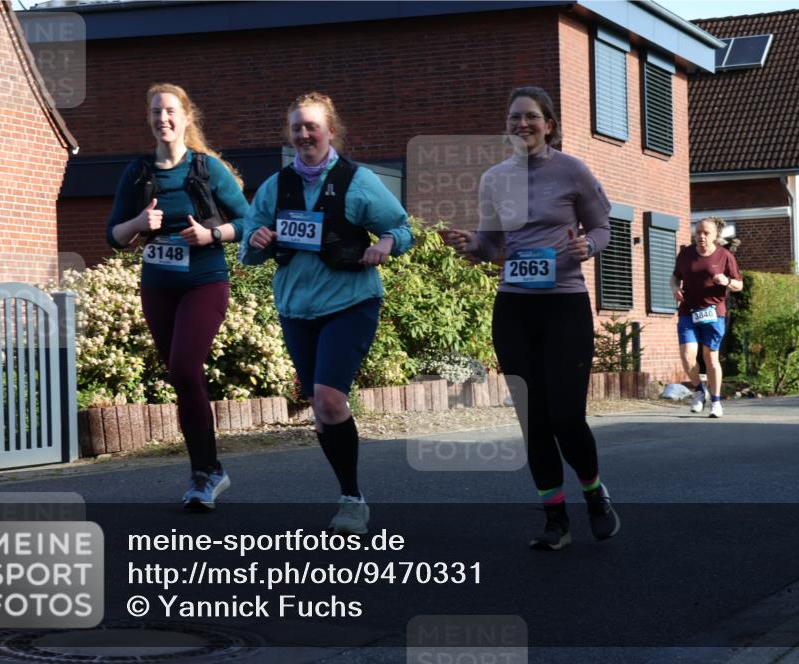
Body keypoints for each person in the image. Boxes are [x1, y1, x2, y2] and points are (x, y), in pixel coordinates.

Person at [442, 86, 619, 550]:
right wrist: (468, 245)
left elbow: (602, 225)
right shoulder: (494, 179)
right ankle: (554, 519)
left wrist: (590, 246)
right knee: (533, 418)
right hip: (515, 307)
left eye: (531, 117)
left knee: (565, 415)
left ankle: (593, 491)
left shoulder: (572, 171)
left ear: (549, 124)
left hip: (564, 304)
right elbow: (489, 246)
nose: (522, 125)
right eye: (514, 117)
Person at [240, 92, 413, 535]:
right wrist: (257, 241)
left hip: (351, 302)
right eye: (296, 127)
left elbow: (401, 227)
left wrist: (386, 244)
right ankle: (347, 489)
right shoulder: (276, 187)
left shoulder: (357, 181)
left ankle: (352, 499)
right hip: (296, 308)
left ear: (329, 131)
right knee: (321, 408)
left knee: (331, 398)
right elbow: (249, 252)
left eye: (311, 126)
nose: (303, 134)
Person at [107, 83, 250, 509]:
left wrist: (211, 233)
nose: (162, 119)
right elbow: (114, 235)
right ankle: (209, 471)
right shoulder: (137, 172)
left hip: (204, 280)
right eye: (155, 112)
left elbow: (249, 220)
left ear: (186, 118)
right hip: (158, 285)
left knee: (186, 367)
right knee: (181, 376)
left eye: (170, 111)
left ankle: (204, 472)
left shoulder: (206, 169)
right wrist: (138, 222)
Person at [670, 216, 743, 418]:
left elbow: (739, 285)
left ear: (715, 235)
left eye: (706, 233)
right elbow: (675, 276)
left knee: (710, 357)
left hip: (713, 312)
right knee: (687, 356)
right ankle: (700, 391)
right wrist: (675, 288)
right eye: (698, 232)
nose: (701, 236)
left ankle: (716, 402)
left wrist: (726, 280)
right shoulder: (685, 255)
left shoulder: (724, 256)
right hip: (688, 312)